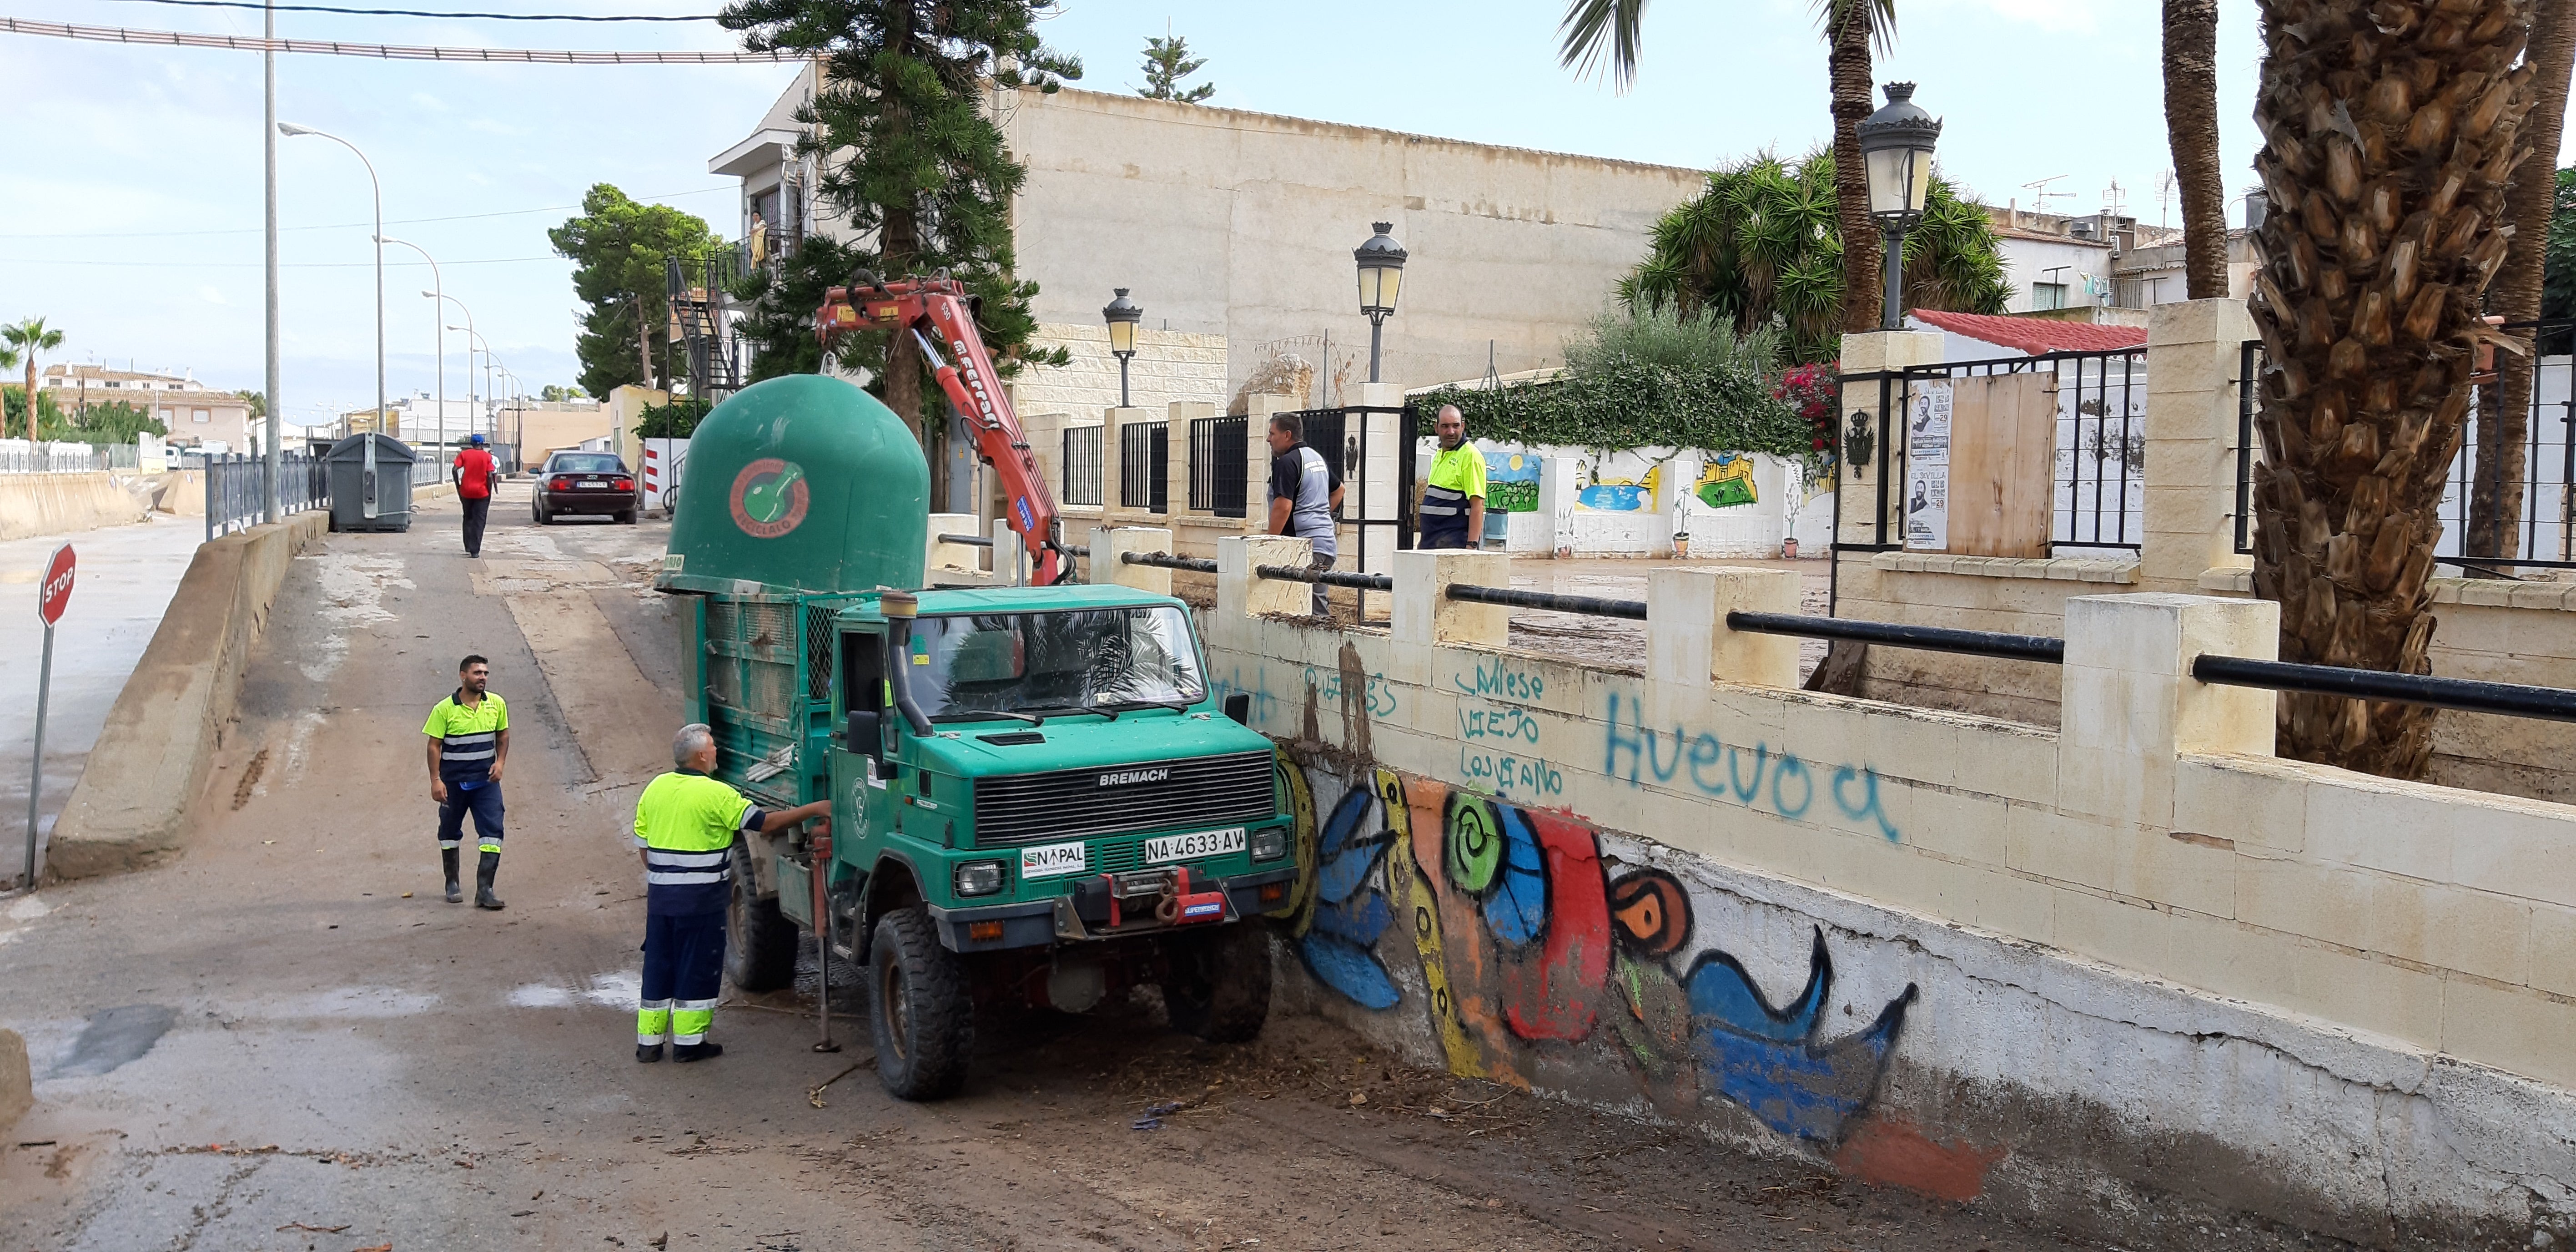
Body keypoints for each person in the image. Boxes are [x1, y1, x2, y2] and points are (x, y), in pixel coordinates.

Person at [632, 723, 830, 1063]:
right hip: (701, 901)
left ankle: (649, 1045)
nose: (717, 751)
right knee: (697, 967)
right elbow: (765, 824)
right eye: (712, 747)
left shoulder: (656, 788)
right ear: (701, 756)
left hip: (662, 900)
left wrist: (667, 874)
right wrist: (815, 809)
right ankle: (689, 1046)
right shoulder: (717, 795)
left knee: (660, 966)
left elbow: (643, 846)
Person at [423, 654, 510, 909]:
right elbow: (434, 745)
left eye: (485, 673)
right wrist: (435, 780)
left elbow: (503, 735)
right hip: (454, 785)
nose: (482, 677)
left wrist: (501, 763)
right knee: (449, 833)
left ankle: (485, 890)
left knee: (493, 834)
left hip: (486, 784)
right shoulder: (444, 709)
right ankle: (452, 883)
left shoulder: (496, 704)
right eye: (477, 673)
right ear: (463, 676)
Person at [1266, 412, 1343, 617]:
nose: (1268, 439)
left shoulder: (1287, 463)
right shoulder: (1315, 458)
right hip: (1325, 543)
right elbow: (1339, 490)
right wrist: (1320, 517)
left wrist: (1268, 543)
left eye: (1272, 433)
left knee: (1309, 610)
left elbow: (1283, 507)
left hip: (1304, 546)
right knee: (1314, 603)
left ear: (1287, 435)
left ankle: (1323, 647)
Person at [1418, 404, 1488, 550]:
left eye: (1456, 426)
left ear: (1463, 426)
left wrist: (1471, 547)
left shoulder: (1470, 456)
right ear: (1436, 428)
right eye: (1445, 426)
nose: (1451, 432)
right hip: (1432, 544)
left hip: (1454, 547)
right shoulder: (1439, 455)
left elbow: (1478, 506)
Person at [452, 433, 498, 558]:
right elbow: (490, 475)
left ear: (471, 444)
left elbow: (454, 470)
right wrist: (489, 491)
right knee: (479, 520)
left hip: (466, 491)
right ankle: (475, 550)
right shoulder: (487, 457)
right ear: (482, 444)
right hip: (482, 492)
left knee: (468, 517)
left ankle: (468, 545)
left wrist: (458, 485)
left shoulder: (464, 454)